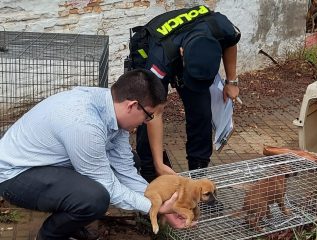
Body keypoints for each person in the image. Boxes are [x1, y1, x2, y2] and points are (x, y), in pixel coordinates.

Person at [0, 69, 189, 240]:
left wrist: (159, 201)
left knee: (132, 161)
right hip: (15, 174)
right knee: (95, 197)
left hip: (50, 164)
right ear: (132, 106)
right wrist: (152, 208)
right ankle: (50, 235)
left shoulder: (112, 107)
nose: (148, 122)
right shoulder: (85, 124)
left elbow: (124, 167)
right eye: (149, 116)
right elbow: (106, 184)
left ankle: (70, 226)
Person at [133, 5, 241, 182]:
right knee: (145, 115)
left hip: (189, 52)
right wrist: (159, 164)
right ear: (183, 55)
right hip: (154, 47)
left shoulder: (219, 25)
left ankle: (197, 175)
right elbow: (155, 115)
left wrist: (231, 81)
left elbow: (230, 42)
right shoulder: (159, 59)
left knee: (202, 114)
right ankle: (151, 174)